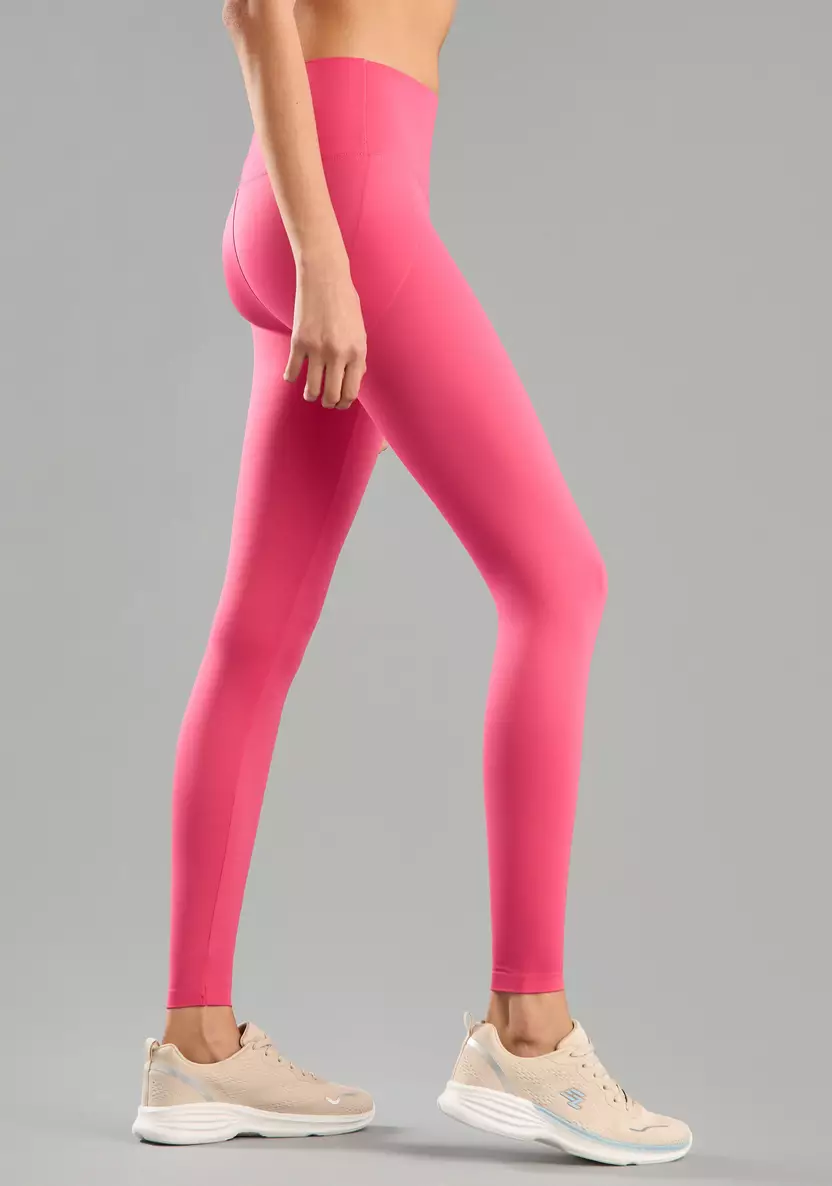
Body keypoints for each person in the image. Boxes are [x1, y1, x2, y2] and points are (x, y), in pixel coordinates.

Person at [132, 0, 692, 1166]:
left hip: (315, 190)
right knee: (557, 584)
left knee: (253, 640)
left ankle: (196, 1046)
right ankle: (528, 1030)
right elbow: (254, 7)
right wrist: (324, 255)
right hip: (344, 201)